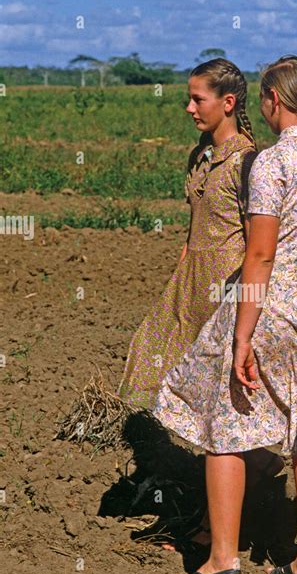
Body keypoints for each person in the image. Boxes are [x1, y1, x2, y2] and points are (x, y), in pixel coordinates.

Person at [152, 55, 297, 574]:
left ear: (272, 101)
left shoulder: (271, 166)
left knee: (225, 424)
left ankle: (222, 563)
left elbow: (261, 256)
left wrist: (242, 334)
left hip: (274, 311)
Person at [117, 58, 284, 548]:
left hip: (229, 293)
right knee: (173, 381)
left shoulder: (251, 162)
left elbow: (259, 245)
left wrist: (246, 309)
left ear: (228, 103)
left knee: (218, 406)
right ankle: (245, 479)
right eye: (188, 98)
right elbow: (195, 232)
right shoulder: (200, 156)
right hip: (191, 288)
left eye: (198, 99)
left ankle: (215, 529)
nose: (189, 108)